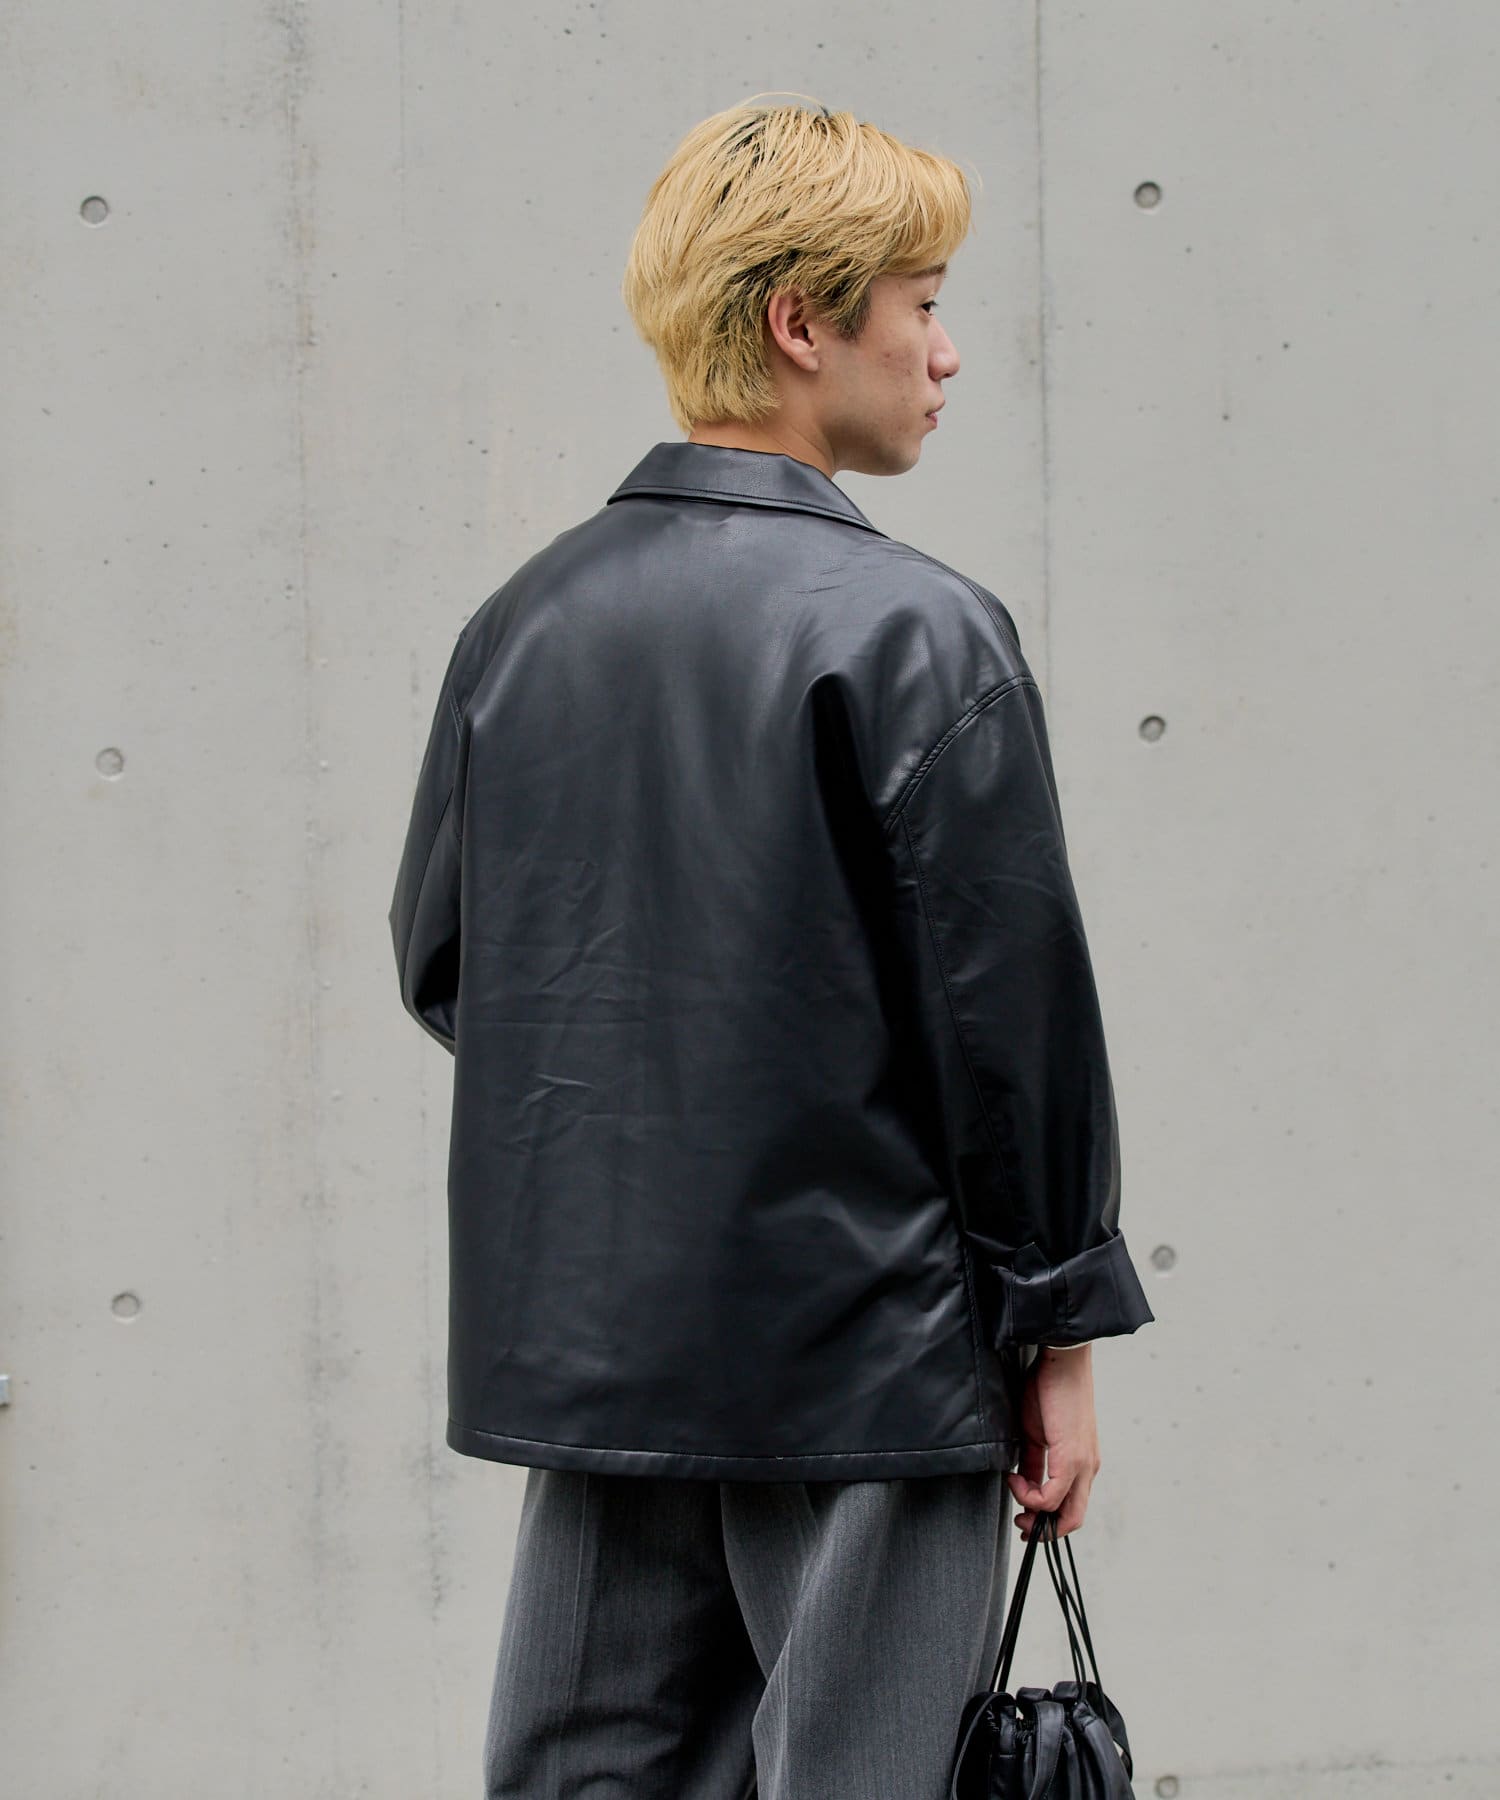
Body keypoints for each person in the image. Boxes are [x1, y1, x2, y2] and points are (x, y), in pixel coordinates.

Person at [388, 92, 1154, 1800]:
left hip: (605, 1347)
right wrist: (1059, 1336)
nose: (946, 354)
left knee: (592, 1771)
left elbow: (449, 963)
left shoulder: (524, 623)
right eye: (923, 303)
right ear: (804, 323)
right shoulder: (919, 632)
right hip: (869, 1353)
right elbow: (1011, 1036)